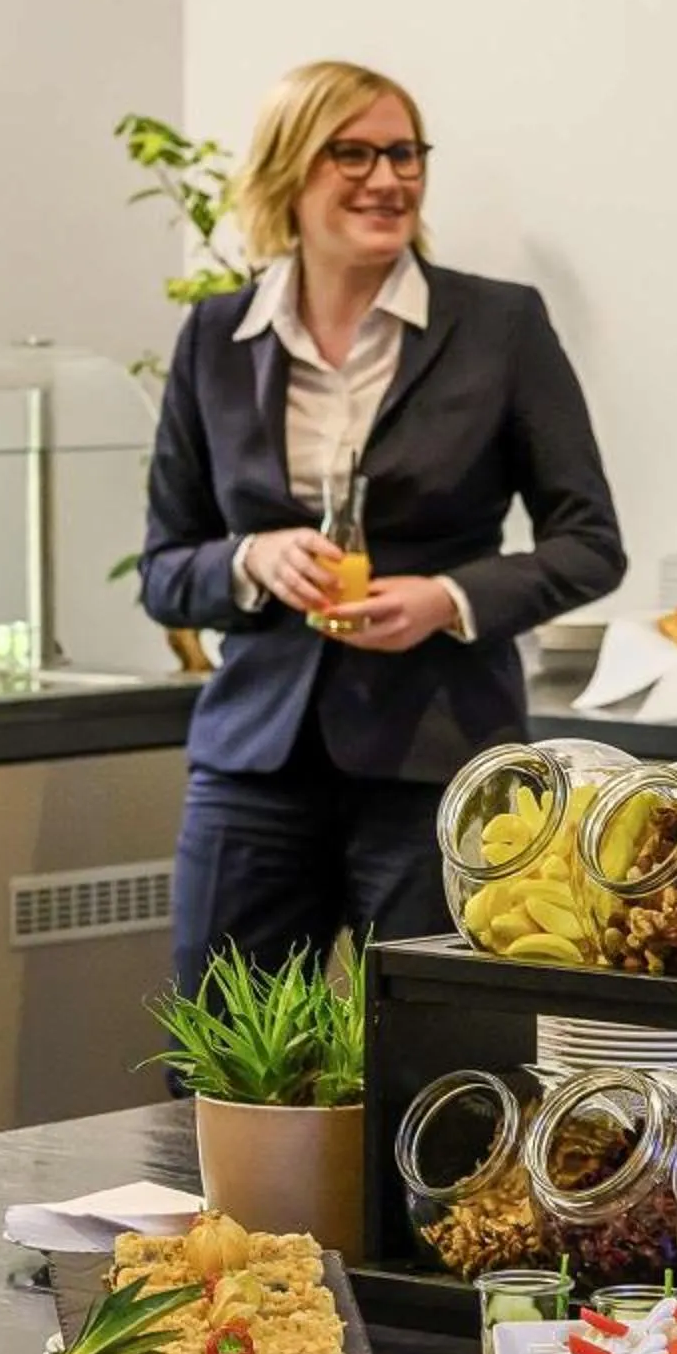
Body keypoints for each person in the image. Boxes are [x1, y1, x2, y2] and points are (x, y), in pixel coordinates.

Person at [143, 60, 626, 995]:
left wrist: (445, 599)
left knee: (429, 1062)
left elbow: (590, 541)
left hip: (438, 764)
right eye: (353, 154)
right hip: (254, 765)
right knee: (218, 1053)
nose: (387, 179)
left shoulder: (499, 326)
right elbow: (167, 568)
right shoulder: (215, 336)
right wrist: (253, 558)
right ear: (290, 173)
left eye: (404, 153)